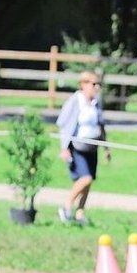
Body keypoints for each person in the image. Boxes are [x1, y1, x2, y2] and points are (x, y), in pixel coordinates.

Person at [55, 71, 110, 226]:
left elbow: (101, 124)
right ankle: (66, 206)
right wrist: (64, 147)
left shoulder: (95, 103)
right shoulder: (75, 101)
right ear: (83, 84)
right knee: (85, 178)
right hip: (77, 146)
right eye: (93, 84)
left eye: (98, 84)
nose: (96, 87)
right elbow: (63, 124)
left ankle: (80, 214)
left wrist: (106, 148)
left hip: (93, 146)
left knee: (89, 181)